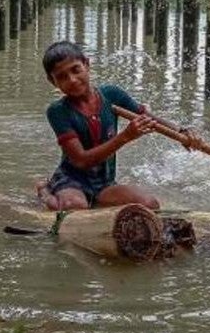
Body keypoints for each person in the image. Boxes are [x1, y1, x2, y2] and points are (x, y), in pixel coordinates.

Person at [35, 40, 162, 211]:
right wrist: (125, 137)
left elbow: (150, 119)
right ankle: (44, 191)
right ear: (53, 81)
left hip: (104, 183)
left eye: (75, 70)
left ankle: (93, 201)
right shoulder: (58, 111)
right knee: (74, 206)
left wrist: (184, 133)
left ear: (87, 65)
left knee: (149, 205)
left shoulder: (112, 94)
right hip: (72, 181)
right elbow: (80, 160)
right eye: (62, 77)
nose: (72, 80)